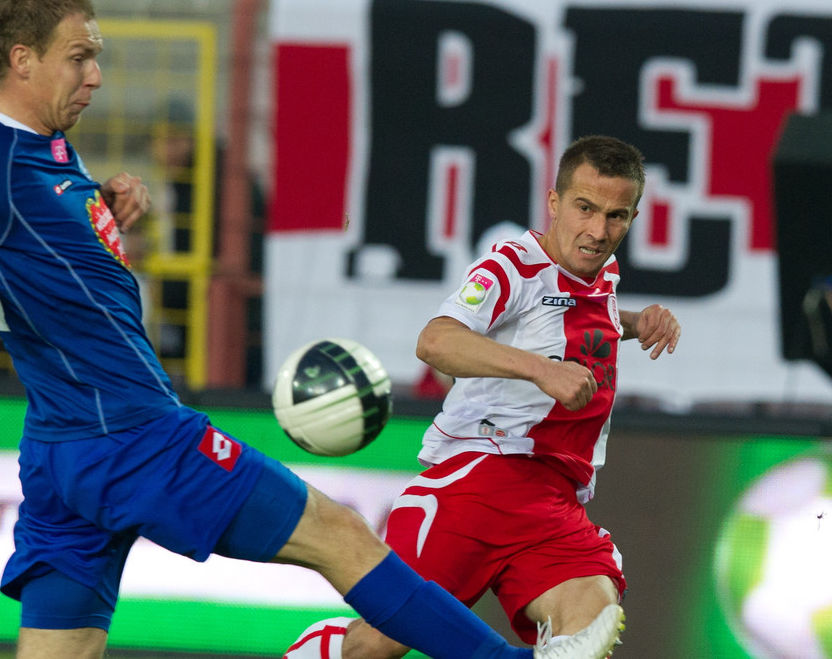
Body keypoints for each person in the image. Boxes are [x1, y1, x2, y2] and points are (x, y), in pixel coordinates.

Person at [0, 0, 623, 658]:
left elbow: (45, 241)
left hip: (62, 447)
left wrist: (103, 204)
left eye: (95, 56)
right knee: (340, 535)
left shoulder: (41, 149)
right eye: (79, 57)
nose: (95, 74)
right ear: (22, 60)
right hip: (133, 435)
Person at [286, 136, 680, 658]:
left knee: (592, 622)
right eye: (585, 208)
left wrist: (633, 323)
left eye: (616, 216)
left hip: (552, 503)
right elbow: (436, 340)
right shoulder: (512, 266)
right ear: (555, 203)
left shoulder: (599, 272)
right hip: (479, 482)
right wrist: (542, 371)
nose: (598, 231)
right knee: (376, 646)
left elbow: (574, 317)